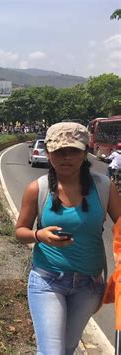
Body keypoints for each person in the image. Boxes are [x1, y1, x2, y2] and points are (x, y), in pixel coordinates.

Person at [15, 122, 121, 354]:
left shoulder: (104, 187)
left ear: (85, 152)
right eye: (59, 152)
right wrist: (38, 235)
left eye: (73, 151)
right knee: (52, 351)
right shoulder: (37, 189)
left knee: (68, 348)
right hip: (47, 281)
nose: (66, 158)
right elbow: (20, 231)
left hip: (90, 285)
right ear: (49, 153)